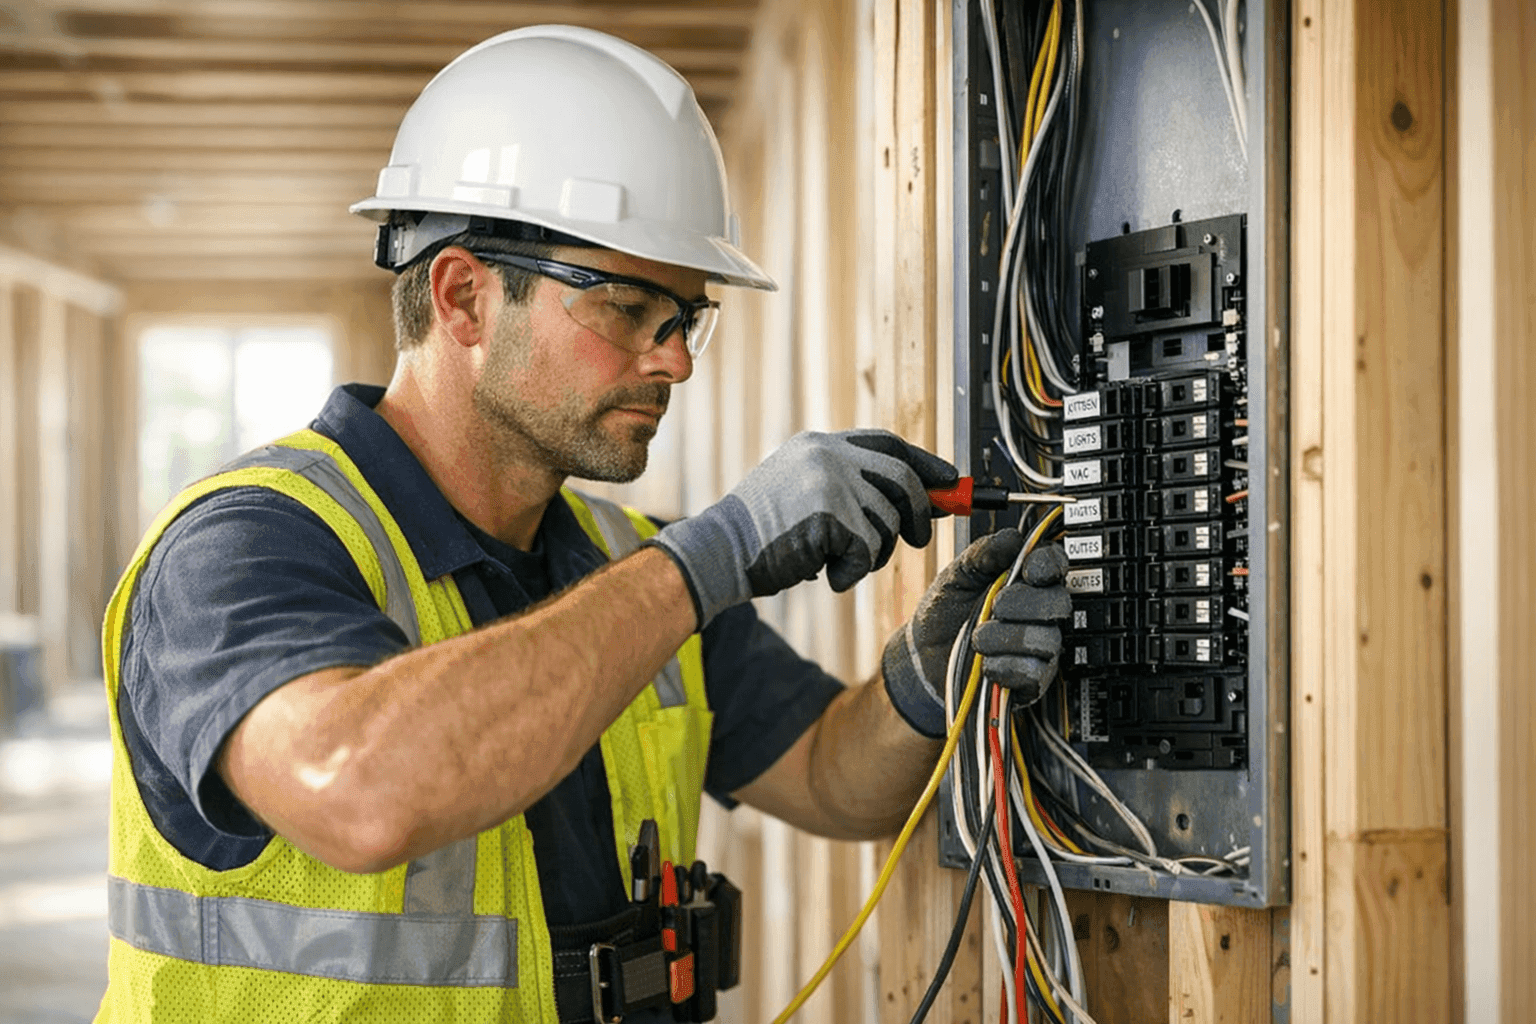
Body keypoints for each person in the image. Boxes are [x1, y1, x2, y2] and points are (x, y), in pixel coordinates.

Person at [95, 26, 1069, 1024]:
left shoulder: (621, 564)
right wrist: (708, 559)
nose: (676, 362)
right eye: (628, 307)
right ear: (465, 297)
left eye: (685, 317)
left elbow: (830, 775)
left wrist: (929, 678)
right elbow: (359, 787)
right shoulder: (244, 548)